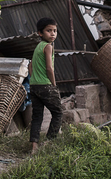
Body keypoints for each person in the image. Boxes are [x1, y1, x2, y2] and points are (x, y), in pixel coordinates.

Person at [27, 17, 63, 153]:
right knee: (58, 112)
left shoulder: (38, 47)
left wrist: (33, 79)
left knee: (37, 116)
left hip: (34, 86)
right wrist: (53, 84)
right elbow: (49, 68)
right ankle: (49, 142)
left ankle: (34, 146)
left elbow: (30, 65)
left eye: (55, 30)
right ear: (40, 33)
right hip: (45, 86)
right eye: (49, 31)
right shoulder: (48, 47)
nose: (53, 33)